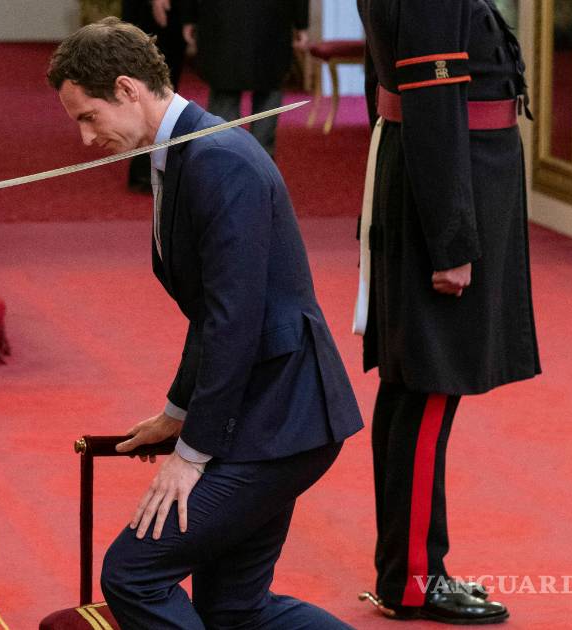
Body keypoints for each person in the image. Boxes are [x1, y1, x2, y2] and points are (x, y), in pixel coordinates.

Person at [47, 18, 363, 629]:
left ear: (127, 89)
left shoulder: (217, 159)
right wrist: (177, 410)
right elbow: (211, 311)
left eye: (88, 117)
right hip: (266, 410)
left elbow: (233, 320)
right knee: (235, 612)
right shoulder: (185, 153)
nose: (85, 138)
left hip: (284, 418)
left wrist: (191, 455)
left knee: (133, 573)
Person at [355, 0, 540, 624]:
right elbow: (434, 106)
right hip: (446, 190)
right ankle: (414, 580)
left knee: (413, 389)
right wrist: (452, 241)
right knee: (429, 388)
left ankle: (408, 569)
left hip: (436, 180)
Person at [182, 0, 308, 155]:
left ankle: (224, 158)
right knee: (268, 87)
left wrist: (188, 15)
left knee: (225, 90)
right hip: (271, 17)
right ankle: (261, 160)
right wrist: (301, 22)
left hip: (223, 17)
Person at [121, 0, 188, 193]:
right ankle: (149, 168)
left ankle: (154, 166)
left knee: (163, 88)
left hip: (165, 15)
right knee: (154, 87)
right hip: (153, 15)